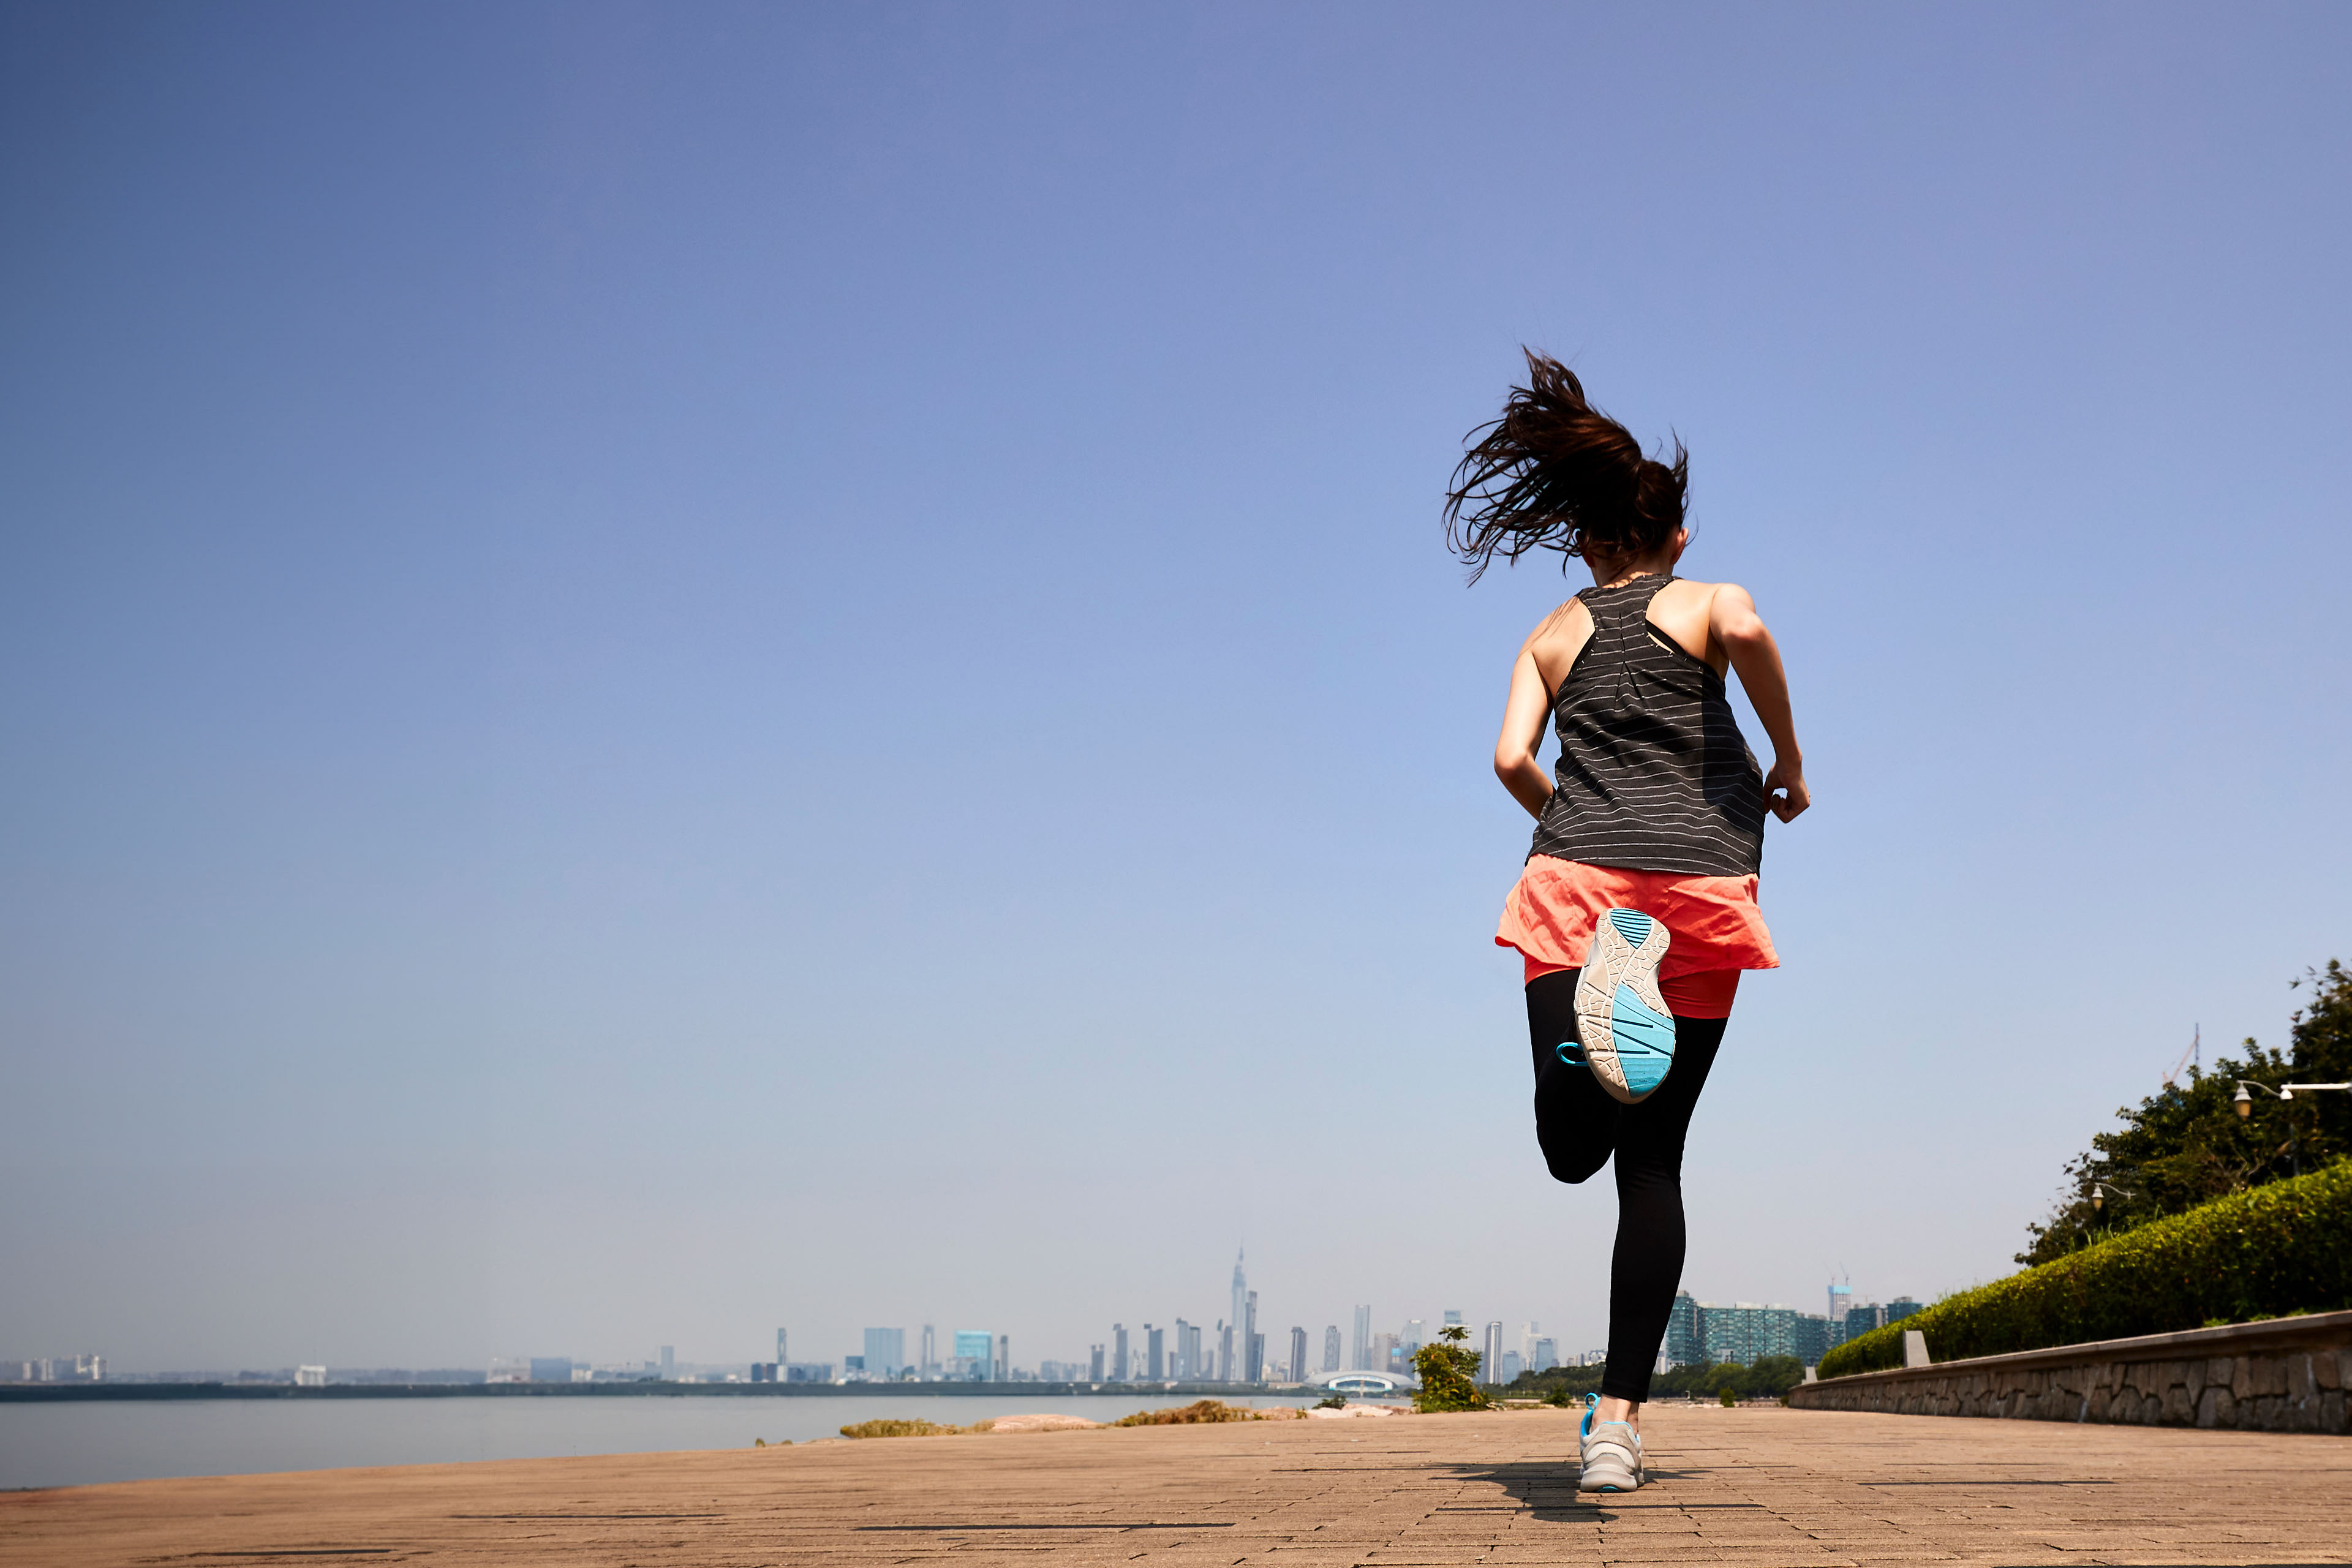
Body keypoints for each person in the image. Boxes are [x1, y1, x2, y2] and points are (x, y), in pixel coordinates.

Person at [1445, 352, 1809, 1492]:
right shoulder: (1707, 598)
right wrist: (1789, 764)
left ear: (1588, 540)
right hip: (1699, 894)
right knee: (1652, 1169)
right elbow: (1747, 629)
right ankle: (1616, 1425)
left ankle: (1586, 1042)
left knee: (1568, 1149)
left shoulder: (1553, 630)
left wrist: (1575, 819)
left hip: (1576, 887)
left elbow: (1510, 757)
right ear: (1676, 538)